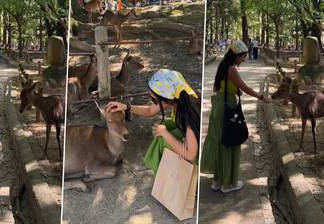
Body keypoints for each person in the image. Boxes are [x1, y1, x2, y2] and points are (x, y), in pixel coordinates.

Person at [200, 40, 270, 193]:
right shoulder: (232, 69)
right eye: (243, 56)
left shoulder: (222, 66)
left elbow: (217, 88)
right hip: (229, 107)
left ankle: (217, 181)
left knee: (220, 142)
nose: (244, 59)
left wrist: (234, 90)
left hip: (218, 107)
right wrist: (261, 97)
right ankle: (228, 184)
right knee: (231, 141)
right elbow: (245, 87)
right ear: (236, 56)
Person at [107, 69, 201, 174]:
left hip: (194, 157)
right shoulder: (178, 96)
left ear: (166, 98)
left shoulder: (189, 115)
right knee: (164, 128)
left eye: (155, 100)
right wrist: (126, 107)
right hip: (186, 140)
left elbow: (191, 154)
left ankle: (174, 175)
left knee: (162, 138)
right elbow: (149, 110)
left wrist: (165, 133)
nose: (153, 103)